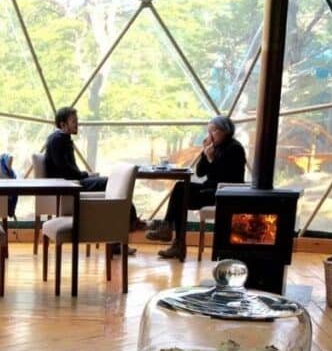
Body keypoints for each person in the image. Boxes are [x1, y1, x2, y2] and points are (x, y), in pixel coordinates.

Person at [147, 115, 247, 261]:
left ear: (225, 131)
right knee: (181, 187)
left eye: (214, 130)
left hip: (223, 192)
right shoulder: (213, 147)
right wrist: (206, 154)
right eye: (209, 131)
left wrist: (211, 158)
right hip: (210, 188)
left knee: (181, 197)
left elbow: (225, 176)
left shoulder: (235, 148)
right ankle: (170, 232)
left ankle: (174, 241)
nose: (210, 135)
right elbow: (200, 172)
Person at [44, 107, 138, 254]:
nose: (77, 125)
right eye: (74, 121)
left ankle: (122, 233)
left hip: (72, 182)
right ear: (63, 125)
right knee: (110, 183)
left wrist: (85, 175)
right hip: (69, 185)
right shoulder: (57, 140)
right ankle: (131, 223)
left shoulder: (62, 139)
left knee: (112, 190)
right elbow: (64, 169)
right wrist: (84, 175)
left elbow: (68, 168)